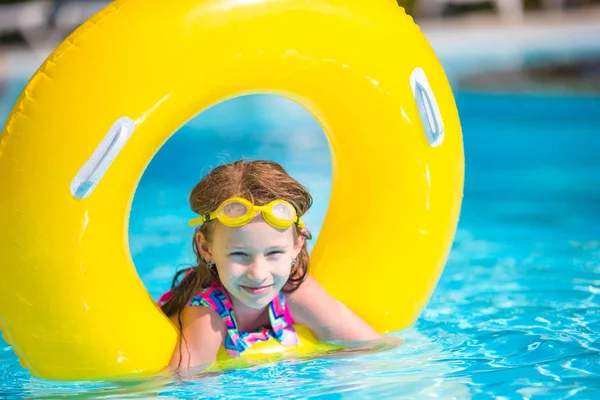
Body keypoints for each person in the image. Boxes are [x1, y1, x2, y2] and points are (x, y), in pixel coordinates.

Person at [159, 159, 379, 370]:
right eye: (239, 254)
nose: (258, 273)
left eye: (274, 253)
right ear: (207, 249)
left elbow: (368, 345)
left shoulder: (293, 288)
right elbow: (186, 385)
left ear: (297, 245)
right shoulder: (206, 314)